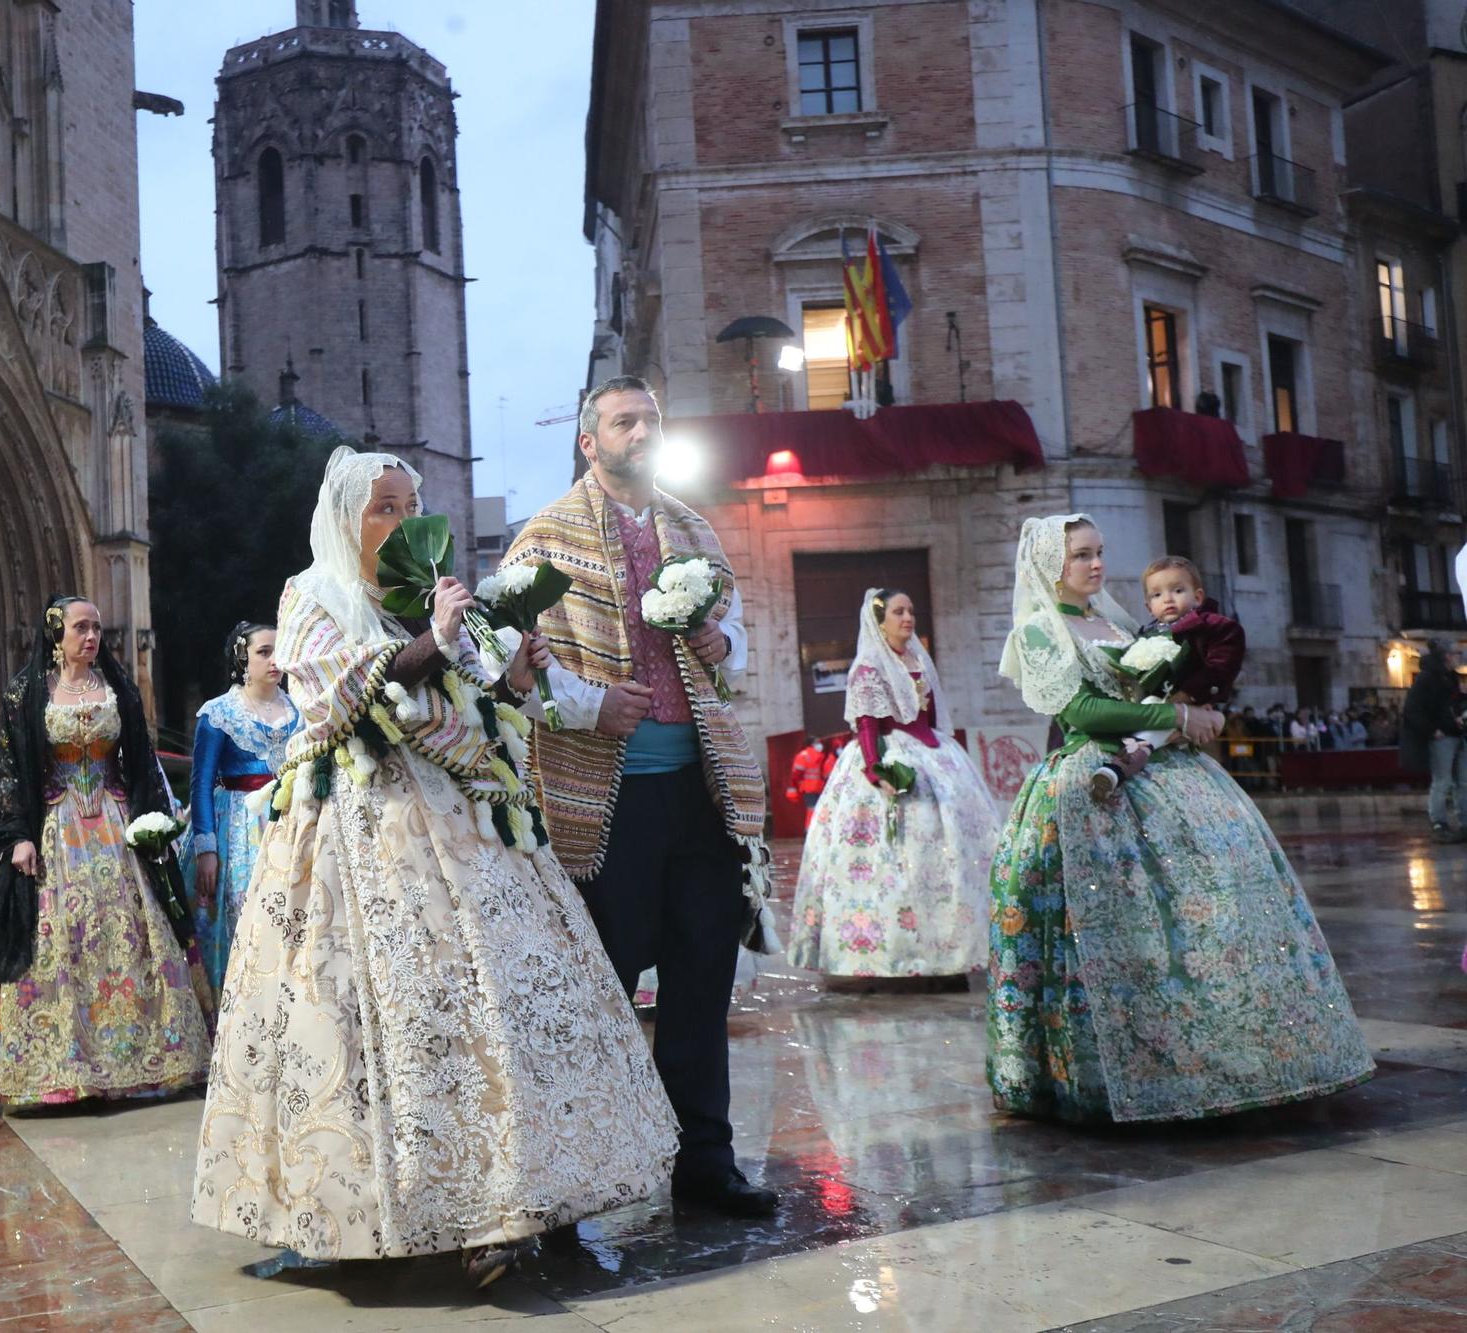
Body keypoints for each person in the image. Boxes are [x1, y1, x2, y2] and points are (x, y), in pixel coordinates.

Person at [192, 447, 676, 1284]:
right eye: (383, 506)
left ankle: (504, 1203)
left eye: (410, 504)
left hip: (468, 828)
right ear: (348, 520)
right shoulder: (312, 597)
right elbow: (340, 696)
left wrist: (512, 666)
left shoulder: (441, 597)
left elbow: (505, 694)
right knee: (366, 1018)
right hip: (360, 828)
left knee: (494, 1003)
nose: (402, 520)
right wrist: (436, 641)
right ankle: (360, 1210)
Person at [986, 514, 1373, 1124]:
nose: (1095, 564)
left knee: (1214, 909)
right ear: (1047, 567)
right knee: (1117, 929)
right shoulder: (1038, 631)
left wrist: (1195, 703)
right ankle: (1113, 1070)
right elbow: (1082, 711)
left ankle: (1228, 1051)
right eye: (1081, 555)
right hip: (1093, 779)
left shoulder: (1115, 623)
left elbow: (1167, 684)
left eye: (1099, 552)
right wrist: (1178, 721)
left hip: (1168, 771)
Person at [499, 375, 775, 1218]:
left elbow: (741, 644)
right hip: (598, 795)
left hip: (701, 786)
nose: (642, 431)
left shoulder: (692, 526)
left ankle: (706, 1159)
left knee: (702, 973)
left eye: (651, 418)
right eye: (624, 421)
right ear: (590, 441)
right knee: (597, 986)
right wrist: (589, 703)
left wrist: (719, 639)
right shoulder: (543, 535)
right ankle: (577, 1170)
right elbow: (505, 661)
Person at [0, 596, 210, 1107]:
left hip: (114, 823)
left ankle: (145, 1059)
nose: (92, 636)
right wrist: (18, 836)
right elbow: (12, 770)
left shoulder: (116, 687)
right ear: (57, 635)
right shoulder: (26, 692)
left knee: (127, 934)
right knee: (58, 939)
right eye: (81, 627)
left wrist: (153, 820)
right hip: (55, 828)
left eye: (97, 627)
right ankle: (58, 1067)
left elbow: (140, 759)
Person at [788, 588, 1000, 986]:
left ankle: (951, 950)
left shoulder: (919, 660)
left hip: (933, 753)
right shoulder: (868, 666)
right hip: (889, 754)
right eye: (899, 612)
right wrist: (875, 771)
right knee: (893, 858)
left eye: (911, 611)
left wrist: (940, 751)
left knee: (950, 853)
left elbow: (932, 717)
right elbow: (867, 724)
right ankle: (893, 954)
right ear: (879, 621)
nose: (908, 618)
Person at [188, 621, 300, 995]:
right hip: (237, 825)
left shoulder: (299, 708)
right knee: (246, 914)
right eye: (263, 652)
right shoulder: (219, 713)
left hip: (291, 819)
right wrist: (207, 848)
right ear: (242, 658)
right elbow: (201, 782)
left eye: (278, 650)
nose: (274, 660)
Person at [1092, 555, 1246, 798]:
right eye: (1157, 595)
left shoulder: (1212, 625)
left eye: (1177, 590)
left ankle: (1120, 767)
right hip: (1158, 704)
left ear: (1197, 596)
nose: (1168, 599)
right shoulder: (1146, 633)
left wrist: (1188, 694)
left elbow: (1222, 665)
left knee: (1153, 734)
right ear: (1148, 606)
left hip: (1192, 701)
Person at [1402, 641, 1464, 841]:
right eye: (1457, 652)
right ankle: (1439, 823)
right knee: (1442, 780)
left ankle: (1464, 822)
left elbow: (1450, 704)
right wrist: (1432, 731)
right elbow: (1412, 709)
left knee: (1462, 782)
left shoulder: (1451, 677)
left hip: (1457, 734)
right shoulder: (1427, 678)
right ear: (1446, 655)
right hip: (1442, 736)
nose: (1460, 656)